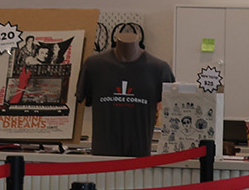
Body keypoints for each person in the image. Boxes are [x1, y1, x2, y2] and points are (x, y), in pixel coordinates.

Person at [74, 23, 174, 156]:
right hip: (102, 157)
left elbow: (171, 110)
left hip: (140, 157)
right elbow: (83, 100)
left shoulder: (160, 69)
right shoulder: (93, 66)